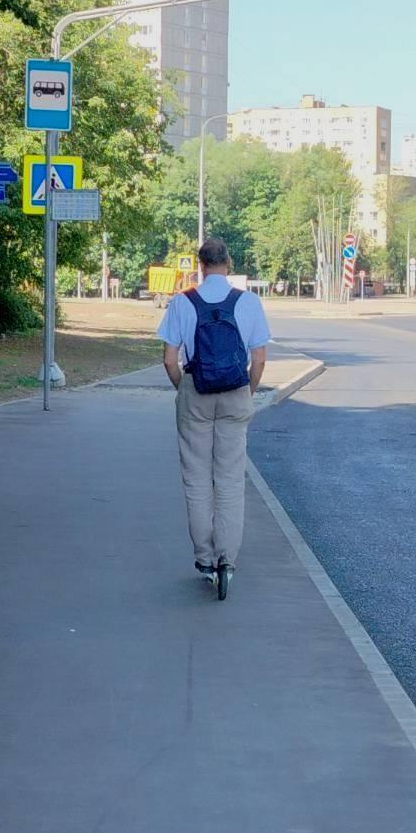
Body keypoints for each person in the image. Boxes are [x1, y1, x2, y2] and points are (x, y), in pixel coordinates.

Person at [160, 238, 271, 591]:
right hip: (236, 392)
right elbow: (260, 358)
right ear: (228, 262)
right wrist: (247, 392)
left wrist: (185, 388)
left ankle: (204, 557)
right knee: (229, 480)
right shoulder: (249, 302)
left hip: (196, 390)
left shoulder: (182, 302)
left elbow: (168, 359)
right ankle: (227, 557)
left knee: (196, 479)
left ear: (201, 265)